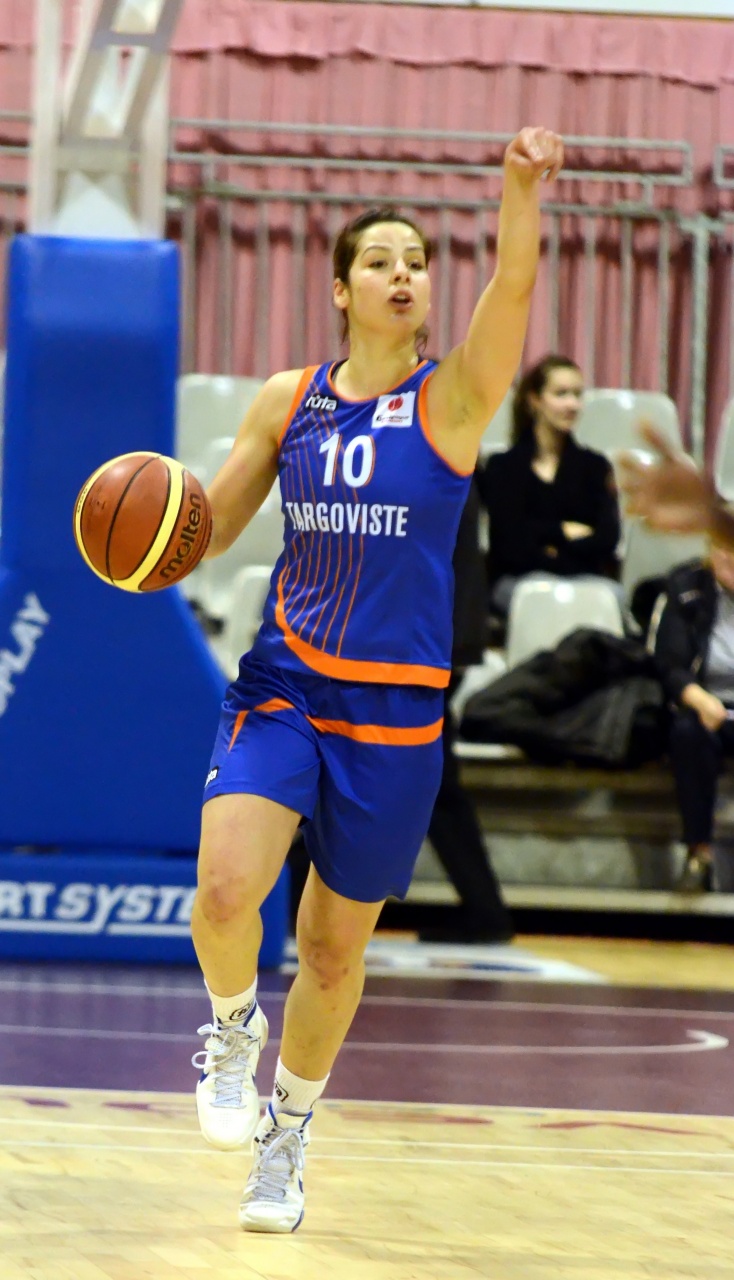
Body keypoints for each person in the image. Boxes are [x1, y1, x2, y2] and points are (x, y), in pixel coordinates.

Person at [189, 124, 564, 1234]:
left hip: (394, 712)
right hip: (286, 685)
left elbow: (513, 284)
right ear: (340, 288)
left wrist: (518, 189)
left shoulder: (454, 402)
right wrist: (143, 528)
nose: (404, 275)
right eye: (380, 261)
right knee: (225, 890)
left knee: (331, 947)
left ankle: (288, 1133)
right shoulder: (287, 400)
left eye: (416, 262)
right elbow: (209, 532)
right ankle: (231, 1027)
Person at [421, 474, 514, 943]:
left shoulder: (434, 457)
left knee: (437, 788)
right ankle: (486, 909)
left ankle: (486, 911)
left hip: (427, 644)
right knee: (436, 786)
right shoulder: (442, 451)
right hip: (434, 640)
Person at [477, 354, 621, 619]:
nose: (572, 404)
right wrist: (563, 531)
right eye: (561, 394)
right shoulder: (503, 467)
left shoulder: (595, 466)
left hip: (584, 579)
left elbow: (606, 539)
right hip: (520, 581)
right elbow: (507, 544)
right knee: (537, 603)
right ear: (534, 400)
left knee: (612, 599)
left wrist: (546, 543)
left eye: (577, 394)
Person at [654, 545, 734, 892]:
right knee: (688, 734)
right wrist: (699, 699)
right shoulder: (687, 586)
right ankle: (699, 853)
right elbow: (669, 664)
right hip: (707, 705)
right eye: (725, 548)